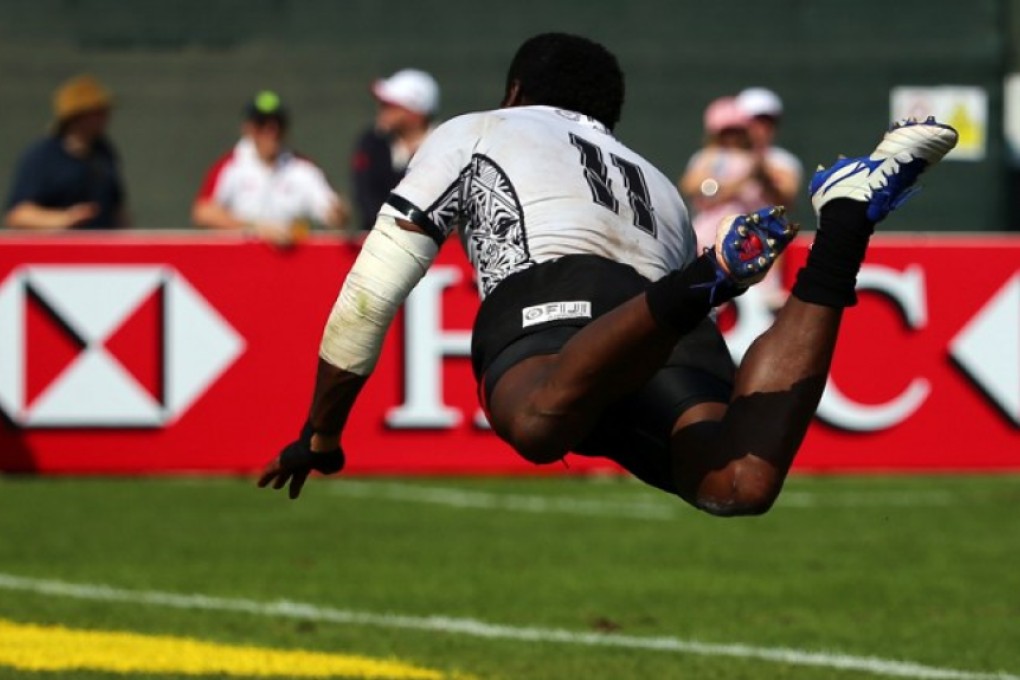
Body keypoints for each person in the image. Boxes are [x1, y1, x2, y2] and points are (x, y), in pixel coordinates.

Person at [258, 33, 958, 515]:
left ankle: (705, 279)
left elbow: (373, 288)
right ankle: (842, 229)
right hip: (660, 322)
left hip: (576, 302)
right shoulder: (654, 179)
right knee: (738, 480)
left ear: (516, 90)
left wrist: (321, 431)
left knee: (536, 424)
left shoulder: (477, 129)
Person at [192, 91, 347, 246]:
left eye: (277, 123)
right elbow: (203, 212)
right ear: (248, 127)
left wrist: (338, 212)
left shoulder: (302, 168)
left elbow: (331, 210)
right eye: (262, 123)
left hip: (291, 262)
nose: (270, 131)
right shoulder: (231, 165)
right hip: (240, 262)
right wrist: (255, 229)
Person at [4, 74, 129, 230]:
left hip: (101, 250)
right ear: (77, 116)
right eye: (98, 112)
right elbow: (18, 215)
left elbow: (118, 210)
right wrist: (65, 219)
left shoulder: (104, 152)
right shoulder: (41, 156)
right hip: (55, 251)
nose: (106, 118)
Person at [350, 69, 439, 232]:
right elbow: (366, 200)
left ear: (414, 113)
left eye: (389, 105)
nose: (381, 109)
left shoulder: (448, 147)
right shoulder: (371, 143)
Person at [679, 96, 761, 253]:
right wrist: (731, 187)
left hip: (747, 241)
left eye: (737, 131)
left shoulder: (756, 160)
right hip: (709, 236)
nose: (733, 137)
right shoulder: (707, 157)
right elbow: (689, 185)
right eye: (726, 132)